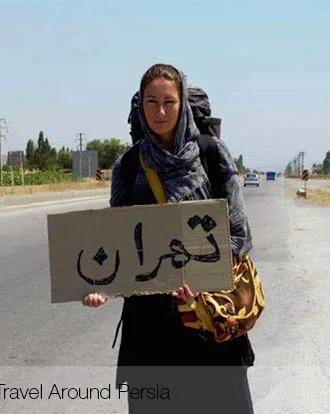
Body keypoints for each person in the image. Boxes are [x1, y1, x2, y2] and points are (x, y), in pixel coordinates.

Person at [82, 63, 255, 413]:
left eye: (169, 102)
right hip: (149, 331)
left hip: (205, 317)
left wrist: (200, 272)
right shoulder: (129, 166)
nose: (160, 112)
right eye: (151, 102)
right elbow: (118, 245)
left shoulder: (210, 154)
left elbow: (239, 235)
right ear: (140, 107)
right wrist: (105, 286)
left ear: (182, 106)